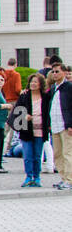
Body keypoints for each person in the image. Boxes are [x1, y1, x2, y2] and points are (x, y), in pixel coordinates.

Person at [16, 73, 52, 188]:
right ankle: (28, 176)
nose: (33, 84)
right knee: (27, 155)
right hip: (27, 130)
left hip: (41, 130)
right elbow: (17, 112)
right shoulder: (24, 96)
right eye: (31, 81)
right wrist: (24, 117)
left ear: (40, 84)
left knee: (37, 156)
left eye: (36, 82)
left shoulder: (46, 97)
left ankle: (36, 177)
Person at [47, 61, 72, 189]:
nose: (55, 74)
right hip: (55, 125)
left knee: (68, 153)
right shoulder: (53, 88)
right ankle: (63, 178)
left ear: (64, 72)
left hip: (65, 126)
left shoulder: (69, 87)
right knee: (57, 154)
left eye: (57, 71)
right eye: (53, 71)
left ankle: (70, 179)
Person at [1, 57, 22, 154]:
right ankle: (9, 147)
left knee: (7, 124)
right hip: (14, 100)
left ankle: (0, 141)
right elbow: (18, 89)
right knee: (14, 125)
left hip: (6, 100)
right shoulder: (16, 74)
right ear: (15, 64)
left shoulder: (3, 74)